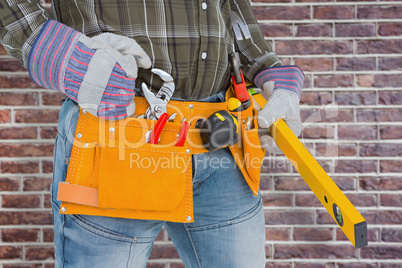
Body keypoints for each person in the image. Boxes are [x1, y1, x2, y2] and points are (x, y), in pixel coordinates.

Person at [0, 1, 304, 267]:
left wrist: (268, 69)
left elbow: (232, 8)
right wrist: (54, 50)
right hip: (114, 134)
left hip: (222, 141)